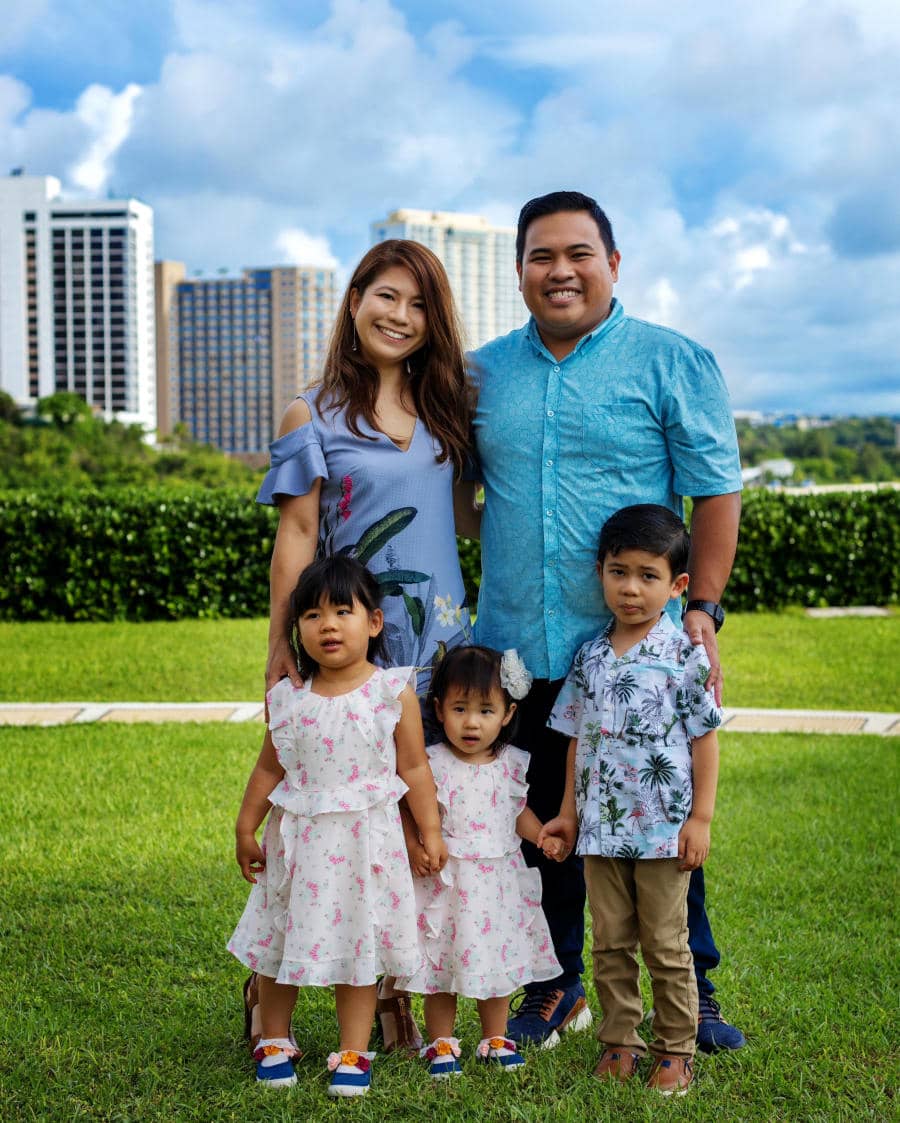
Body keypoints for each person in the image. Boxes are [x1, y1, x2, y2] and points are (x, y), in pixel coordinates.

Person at [461, 190, 744, 1052]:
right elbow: (459, 492)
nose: (560, 270)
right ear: (518, 271)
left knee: (656, 821)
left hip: (634, 655)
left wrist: (701, 608)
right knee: (544, 822)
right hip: (517, 641)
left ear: (613, 264)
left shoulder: (670, 361)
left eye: (579, 253)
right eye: (542, 256)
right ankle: (556, 982)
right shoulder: (481, 374)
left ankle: (691, 989)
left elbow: (716, 489)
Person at [247, 239, 474, 1053]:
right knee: (334, 823)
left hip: (442, 643)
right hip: (351, 651)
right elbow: (298, 533)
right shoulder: (310, 414)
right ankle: (267, 985)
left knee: (419, 824)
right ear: (355, 300)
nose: (400, 316)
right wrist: (282, 643)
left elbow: (466, 514)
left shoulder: (447, 410)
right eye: (386, 296)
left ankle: (393, 993)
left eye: (418, 305)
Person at [227, 555, 447, 1097]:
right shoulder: (289, 698)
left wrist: (430, 832)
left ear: (372, 622)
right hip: (298, 850)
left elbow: (414, 768)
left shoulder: (390, 692)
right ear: (296, 629)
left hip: (365, 850)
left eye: (341, 611)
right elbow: (268, 765)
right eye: (311, 615)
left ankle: (354, 1049)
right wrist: (244, 827)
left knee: (360, 951)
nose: (326, 625)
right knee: (281, 946)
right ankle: (274, 1037)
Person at [539, 505, 721, 1095]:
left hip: (663, 832)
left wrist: (700, 818)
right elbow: (575, 737)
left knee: (666, 945)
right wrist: (567, 812)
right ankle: (620, 1042)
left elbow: (704, 738)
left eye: (648, 575)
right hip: (597, 832)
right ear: (601, 572)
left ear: (677, 586)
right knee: (611, 941)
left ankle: (676, 1049)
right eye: (619, 572)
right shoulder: (589, 658)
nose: (632, 588)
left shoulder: (682, 657)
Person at [394, 646, 568, 1078]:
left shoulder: (510, 764)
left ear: (507, 714)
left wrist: (540, 834)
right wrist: (416, 845)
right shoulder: (431, 763)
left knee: (496, 965)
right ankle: (441, 1042)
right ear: (438, 709)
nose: (472, 722)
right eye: (460, 708)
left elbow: (517, 812)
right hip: (447, 884)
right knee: (442, 966)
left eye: (486, 710)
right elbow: (411, 809)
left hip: (496, 886)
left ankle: (494, 1036)